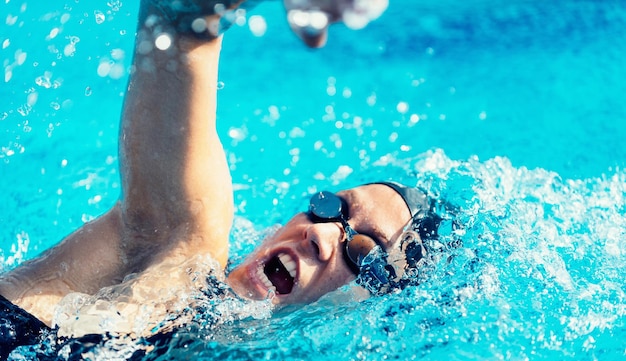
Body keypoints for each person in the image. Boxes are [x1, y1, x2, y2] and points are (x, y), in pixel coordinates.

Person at [0, 0, 439, 339]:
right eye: (331, 207)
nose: (321, 235)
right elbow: (178, 19)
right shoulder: (176, 248)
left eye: (363, 252)